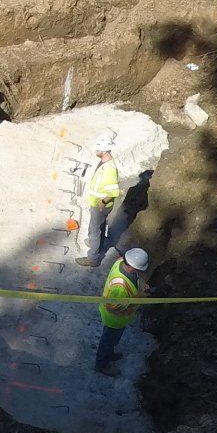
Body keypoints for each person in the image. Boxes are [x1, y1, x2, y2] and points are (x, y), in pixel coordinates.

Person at [94, 247, 150, 375]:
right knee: (107, 341)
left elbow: (135, 277)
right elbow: (113, 308)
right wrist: (139, 298)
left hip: (121, 319)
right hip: (114, 319)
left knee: (113, 339)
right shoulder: (120, 286)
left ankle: (110, 353)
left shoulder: (121, 261)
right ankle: (101, 365)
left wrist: (141, 285)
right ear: (132, 267)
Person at [76, 132, 122, 268]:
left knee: (94, 231)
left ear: (104, 149)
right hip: (98, 203)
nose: (95, 151)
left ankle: (93, 259)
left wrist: (102, 202)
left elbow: (113, 192)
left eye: (97, 149)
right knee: (99, 227)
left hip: (100, 205)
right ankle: (98, 243)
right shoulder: (104, 162)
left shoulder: (109, 169)